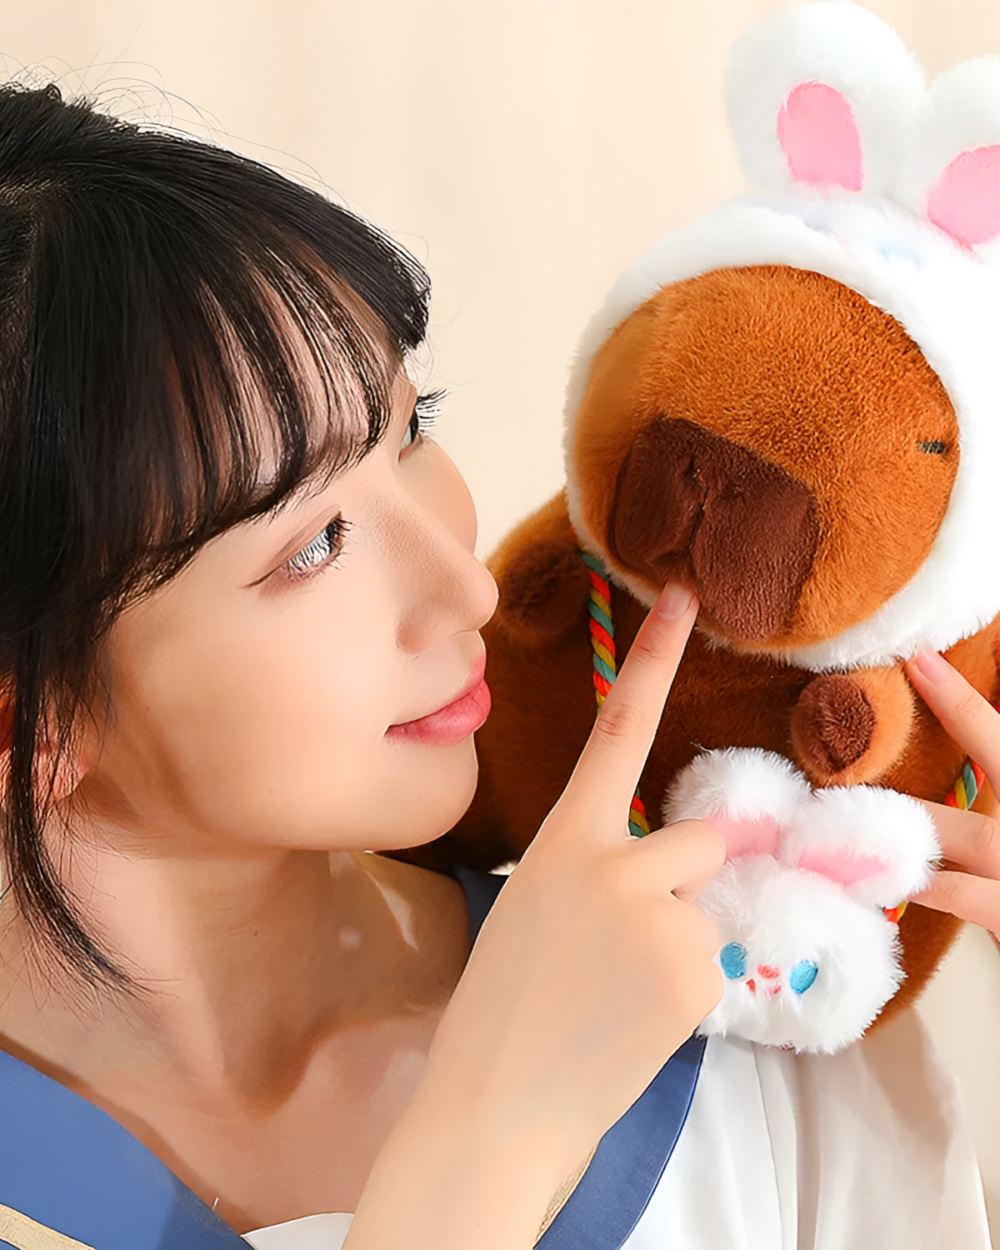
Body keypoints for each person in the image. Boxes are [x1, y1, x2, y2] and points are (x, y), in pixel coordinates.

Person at [0, 81, 997, 1250]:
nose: (466, 585)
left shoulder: (751, 987)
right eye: (311, 543)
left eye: (409, 426)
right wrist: (494, 1136)